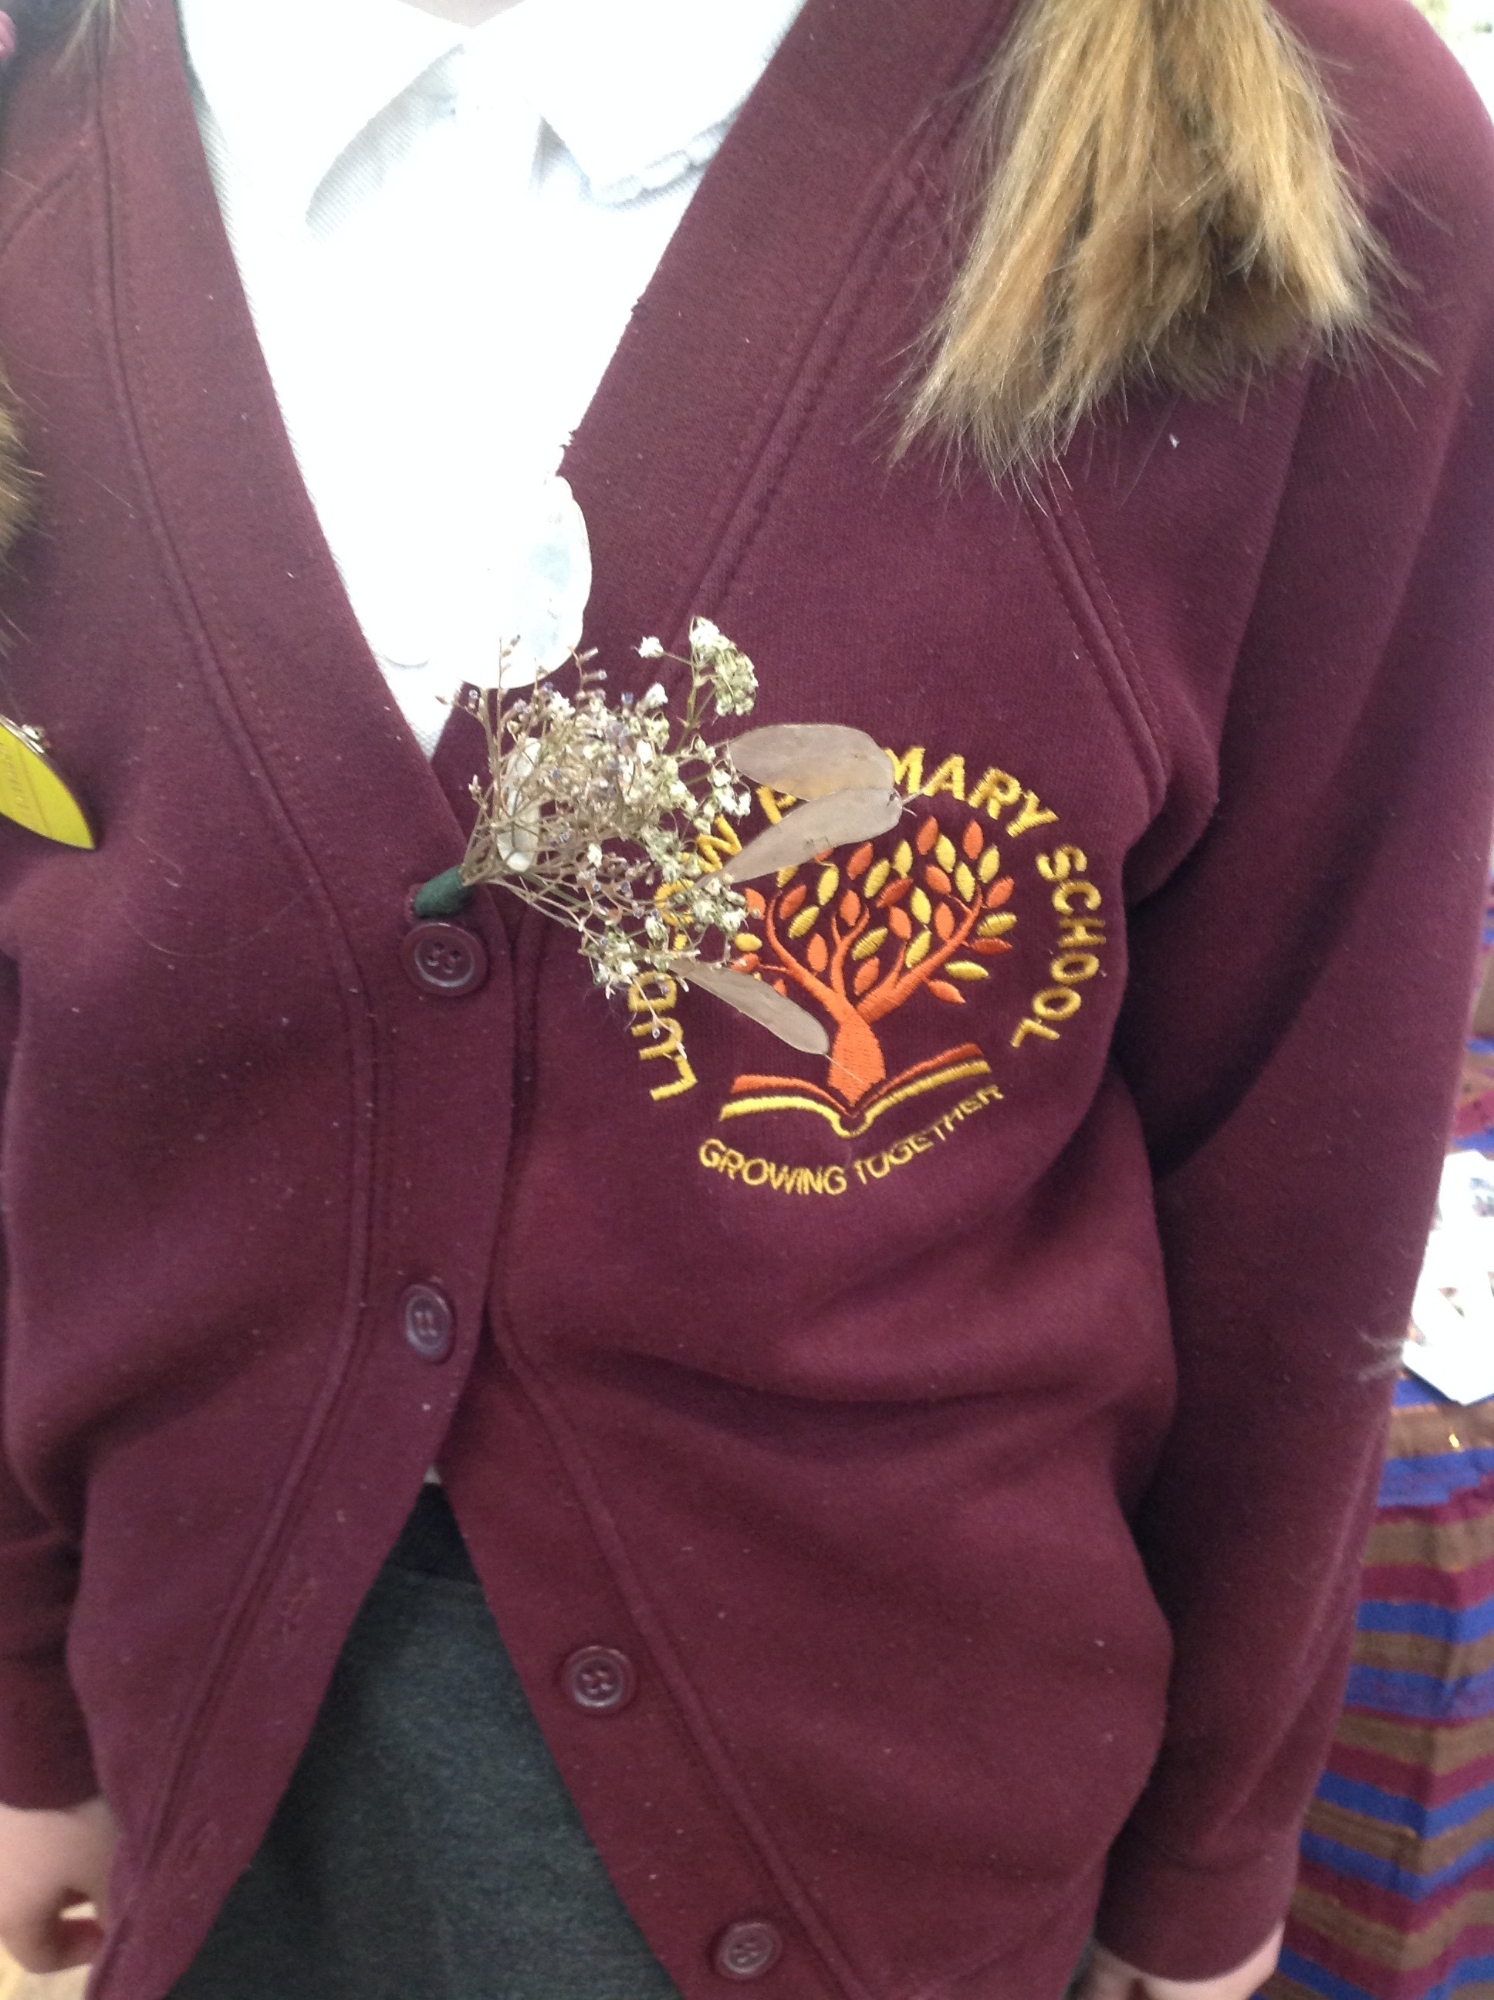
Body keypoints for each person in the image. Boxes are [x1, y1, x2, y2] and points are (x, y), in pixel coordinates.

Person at [0, 0, 1487, 1995]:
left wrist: (1213, 1847)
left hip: (897, 1790)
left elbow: (1308, 1128)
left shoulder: (1309, 148)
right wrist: (22, 1685)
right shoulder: (47, 128)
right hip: (197, 1728)